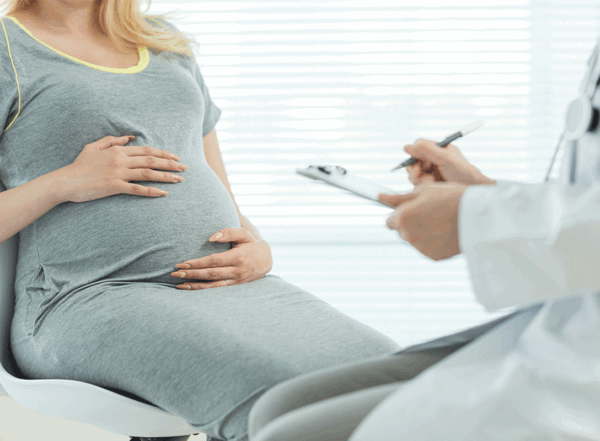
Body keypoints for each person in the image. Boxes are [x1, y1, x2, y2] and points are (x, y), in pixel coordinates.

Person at [0, 1, 403, 440]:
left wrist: (256, 245)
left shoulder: (162, 40)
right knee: (277, 396)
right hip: (90, 293)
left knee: (393, 374)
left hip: (228, 286)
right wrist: (64, 182)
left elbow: (210, 177)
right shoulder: (9, 50)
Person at [247, 39, 600, 441]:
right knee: (277, 409)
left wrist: (477, 214)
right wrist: (485, 193)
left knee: (294, 435)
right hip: (568, 316)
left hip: (586, 362)